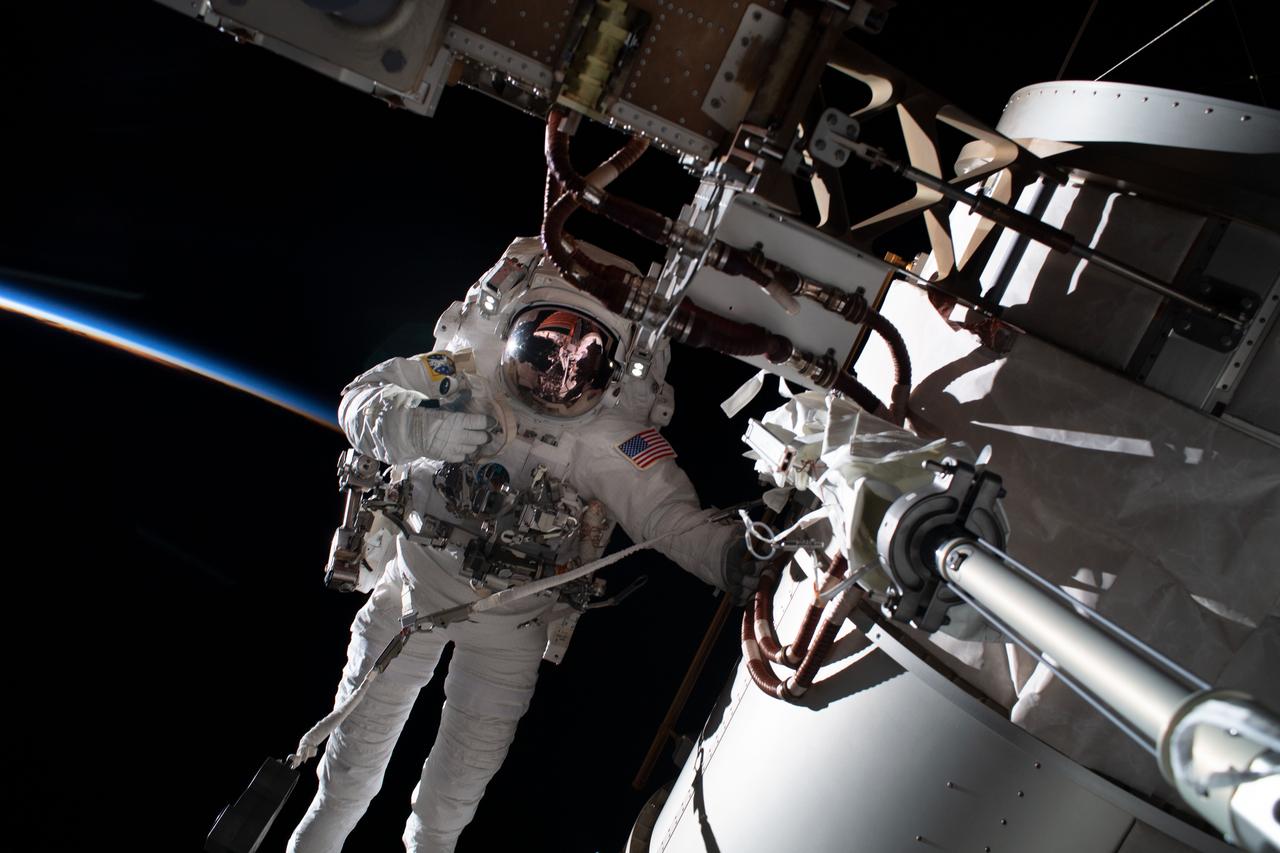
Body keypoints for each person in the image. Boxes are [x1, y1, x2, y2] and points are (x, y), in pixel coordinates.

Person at [288, 237, 759, 852]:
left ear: (612, 371)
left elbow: (670, 517)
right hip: (413, 590)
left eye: (582, 359)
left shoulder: (609, 441)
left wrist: (733, 560)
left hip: (510, 629)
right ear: (511, 331)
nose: (557, 372)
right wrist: (422, 426)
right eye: (544, 345)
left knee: (448, 806)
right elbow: (363, 398)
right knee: (348, 771)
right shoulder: (460, 375)